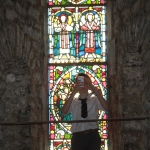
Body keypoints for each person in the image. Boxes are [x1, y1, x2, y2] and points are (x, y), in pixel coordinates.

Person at [62, 73, 109, 150]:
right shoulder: (73, 101)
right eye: (80, 83)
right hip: (78, 137)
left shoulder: (95, 99)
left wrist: (94, 89)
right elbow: (64, 111)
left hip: (92, 135)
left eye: (85, 83)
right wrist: (74, 91)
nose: (83, 85)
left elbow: (106, 107)